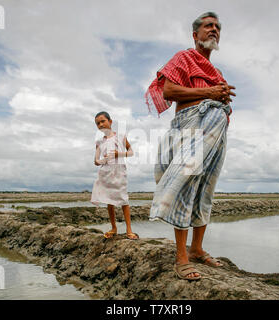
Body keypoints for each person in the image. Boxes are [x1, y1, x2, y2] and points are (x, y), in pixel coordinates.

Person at [145, 12, 236, 280]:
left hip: (215, 130)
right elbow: (169, 92)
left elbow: (218, 98)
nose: (214, 30)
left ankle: (196, 249)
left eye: (218, 27)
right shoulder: (184, 58)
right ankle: (181, 257)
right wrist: (210, 93)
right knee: (187, 182)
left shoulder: (216, 72)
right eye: (208, 26)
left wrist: (219, 102)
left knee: (206, 188)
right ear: (195, 35)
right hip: (190, 125)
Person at [91, 111, 139, 240]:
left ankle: (129, 230)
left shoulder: (121, 136)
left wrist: (119, 154)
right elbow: (96, 161)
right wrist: (103, 160)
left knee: (124, 199)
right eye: (98, 123)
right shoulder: (99, 141)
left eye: (103, 121)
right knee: (108, 200)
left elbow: (131, 152)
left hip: (119, 170)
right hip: (105, 172)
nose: (101, 124)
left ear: (110, 122)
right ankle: (114, 227)